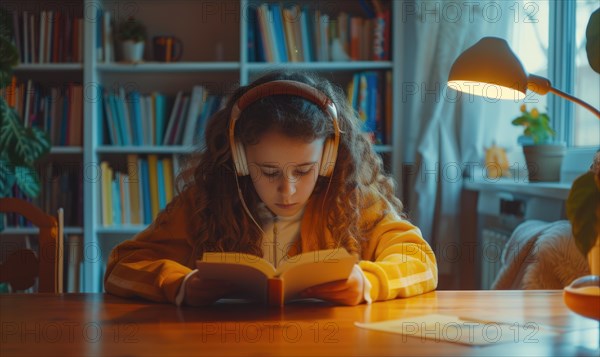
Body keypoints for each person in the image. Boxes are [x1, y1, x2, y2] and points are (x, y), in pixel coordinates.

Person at [104, 71, 438, 306]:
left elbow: (420, 260)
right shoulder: (205, 201)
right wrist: (181, 285)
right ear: (239, 158)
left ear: (328, 158)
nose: (288, 191)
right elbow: (121, 266)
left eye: (304, 170)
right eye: (268, 171)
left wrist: (368, 282)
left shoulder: (351, 199)